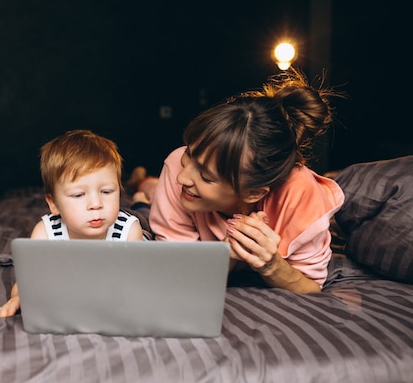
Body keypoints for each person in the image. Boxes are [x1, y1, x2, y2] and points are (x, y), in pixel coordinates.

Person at [147, 69, 344, 293]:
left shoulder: (302, 194)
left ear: (254, 193)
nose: (182, 177)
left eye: (205, 176)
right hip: (165, 204)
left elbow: (310, 287)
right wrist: (226, 254)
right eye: (190, 154)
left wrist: (271, 265)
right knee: (144, 200)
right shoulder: (175, 166)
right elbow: (178, 276)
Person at [0, 129, 144, 321]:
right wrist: (17, 299)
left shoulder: (129, 231)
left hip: (140, 222)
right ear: (54, 204)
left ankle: (141, 192)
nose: (96, 204)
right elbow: (28, 282)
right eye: (78, 195)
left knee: (144, 211)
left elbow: (136, 286)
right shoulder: (45, 234)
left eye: (107, 191)